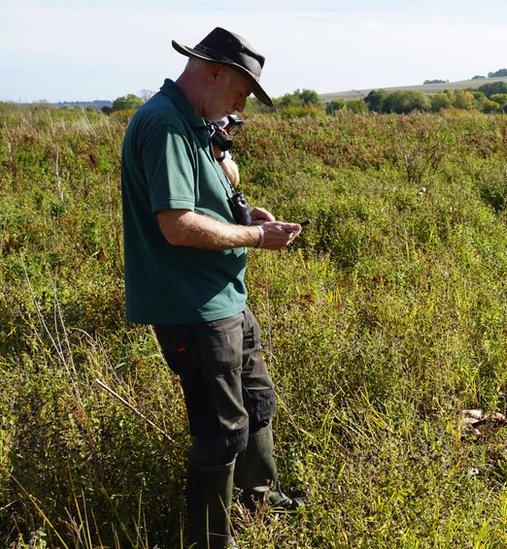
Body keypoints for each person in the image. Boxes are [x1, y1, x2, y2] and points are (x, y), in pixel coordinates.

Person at [120, 27, 302, 548]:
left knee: (257, 401)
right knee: (220, 432)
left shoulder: (194, 124)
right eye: (242, 92)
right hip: (193, 309)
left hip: (224, 297)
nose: (242, 104)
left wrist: (243, 205)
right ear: (214, 71)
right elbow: (176, 224)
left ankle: (262, 501)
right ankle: (210, 540)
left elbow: (211, 196)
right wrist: (255, 236)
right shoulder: (165, 125)